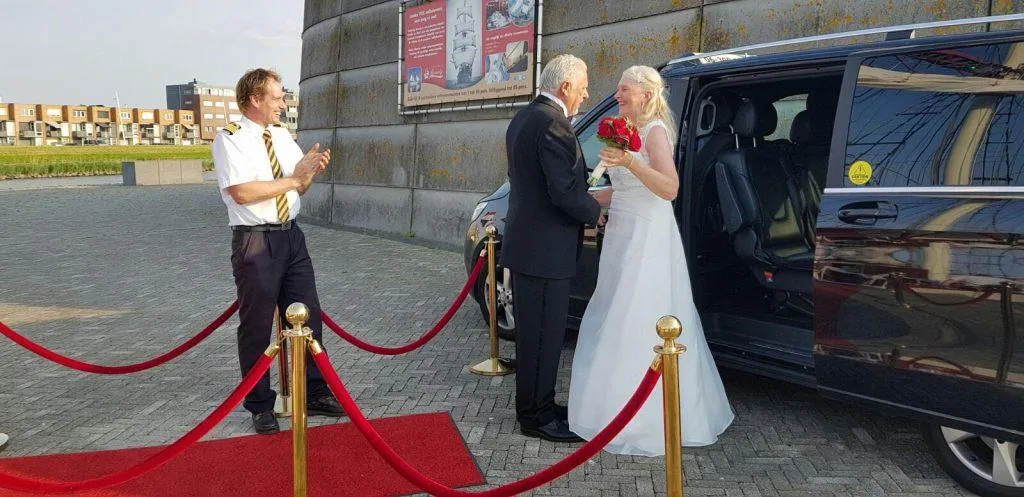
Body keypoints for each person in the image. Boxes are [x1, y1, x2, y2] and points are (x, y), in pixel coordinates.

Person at [568, 65, 734, 455]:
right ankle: (613, 407)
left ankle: (644, 418)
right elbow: (623, 190)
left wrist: (630, 163)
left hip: (648, 237)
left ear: (646, 94)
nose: (618, 95)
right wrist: (581, 199)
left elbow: (669, 188)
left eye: (624, 89)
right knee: (615, 311)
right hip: (621, 234)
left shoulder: (655, 130)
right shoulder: (623, 129)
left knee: (639, 314)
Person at [213, 68, 343, 435]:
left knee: (308, 316)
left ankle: (314, 390)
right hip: (256, 241)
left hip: (291, 237)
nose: (283, 103)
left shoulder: (283, 136)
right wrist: (294, 177)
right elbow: (242, 192)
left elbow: (297, 189)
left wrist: (309, 172)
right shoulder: (230, 139)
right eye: (277, 97)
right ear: (255, 99)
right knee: (256, 326)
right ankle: (259, 405)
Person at [500, 54, 603, 443]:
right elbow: (563, 190)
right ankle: (537, 417)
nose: (586, 94)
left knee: (535, 337)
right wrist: (595, 212)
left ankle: (538, 404)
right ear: (565, 86)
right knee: (543, 336)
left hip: (532, 247)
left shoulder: (525, 117)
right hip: (545, 252)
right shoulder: (553, 124)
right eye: (583, 87)